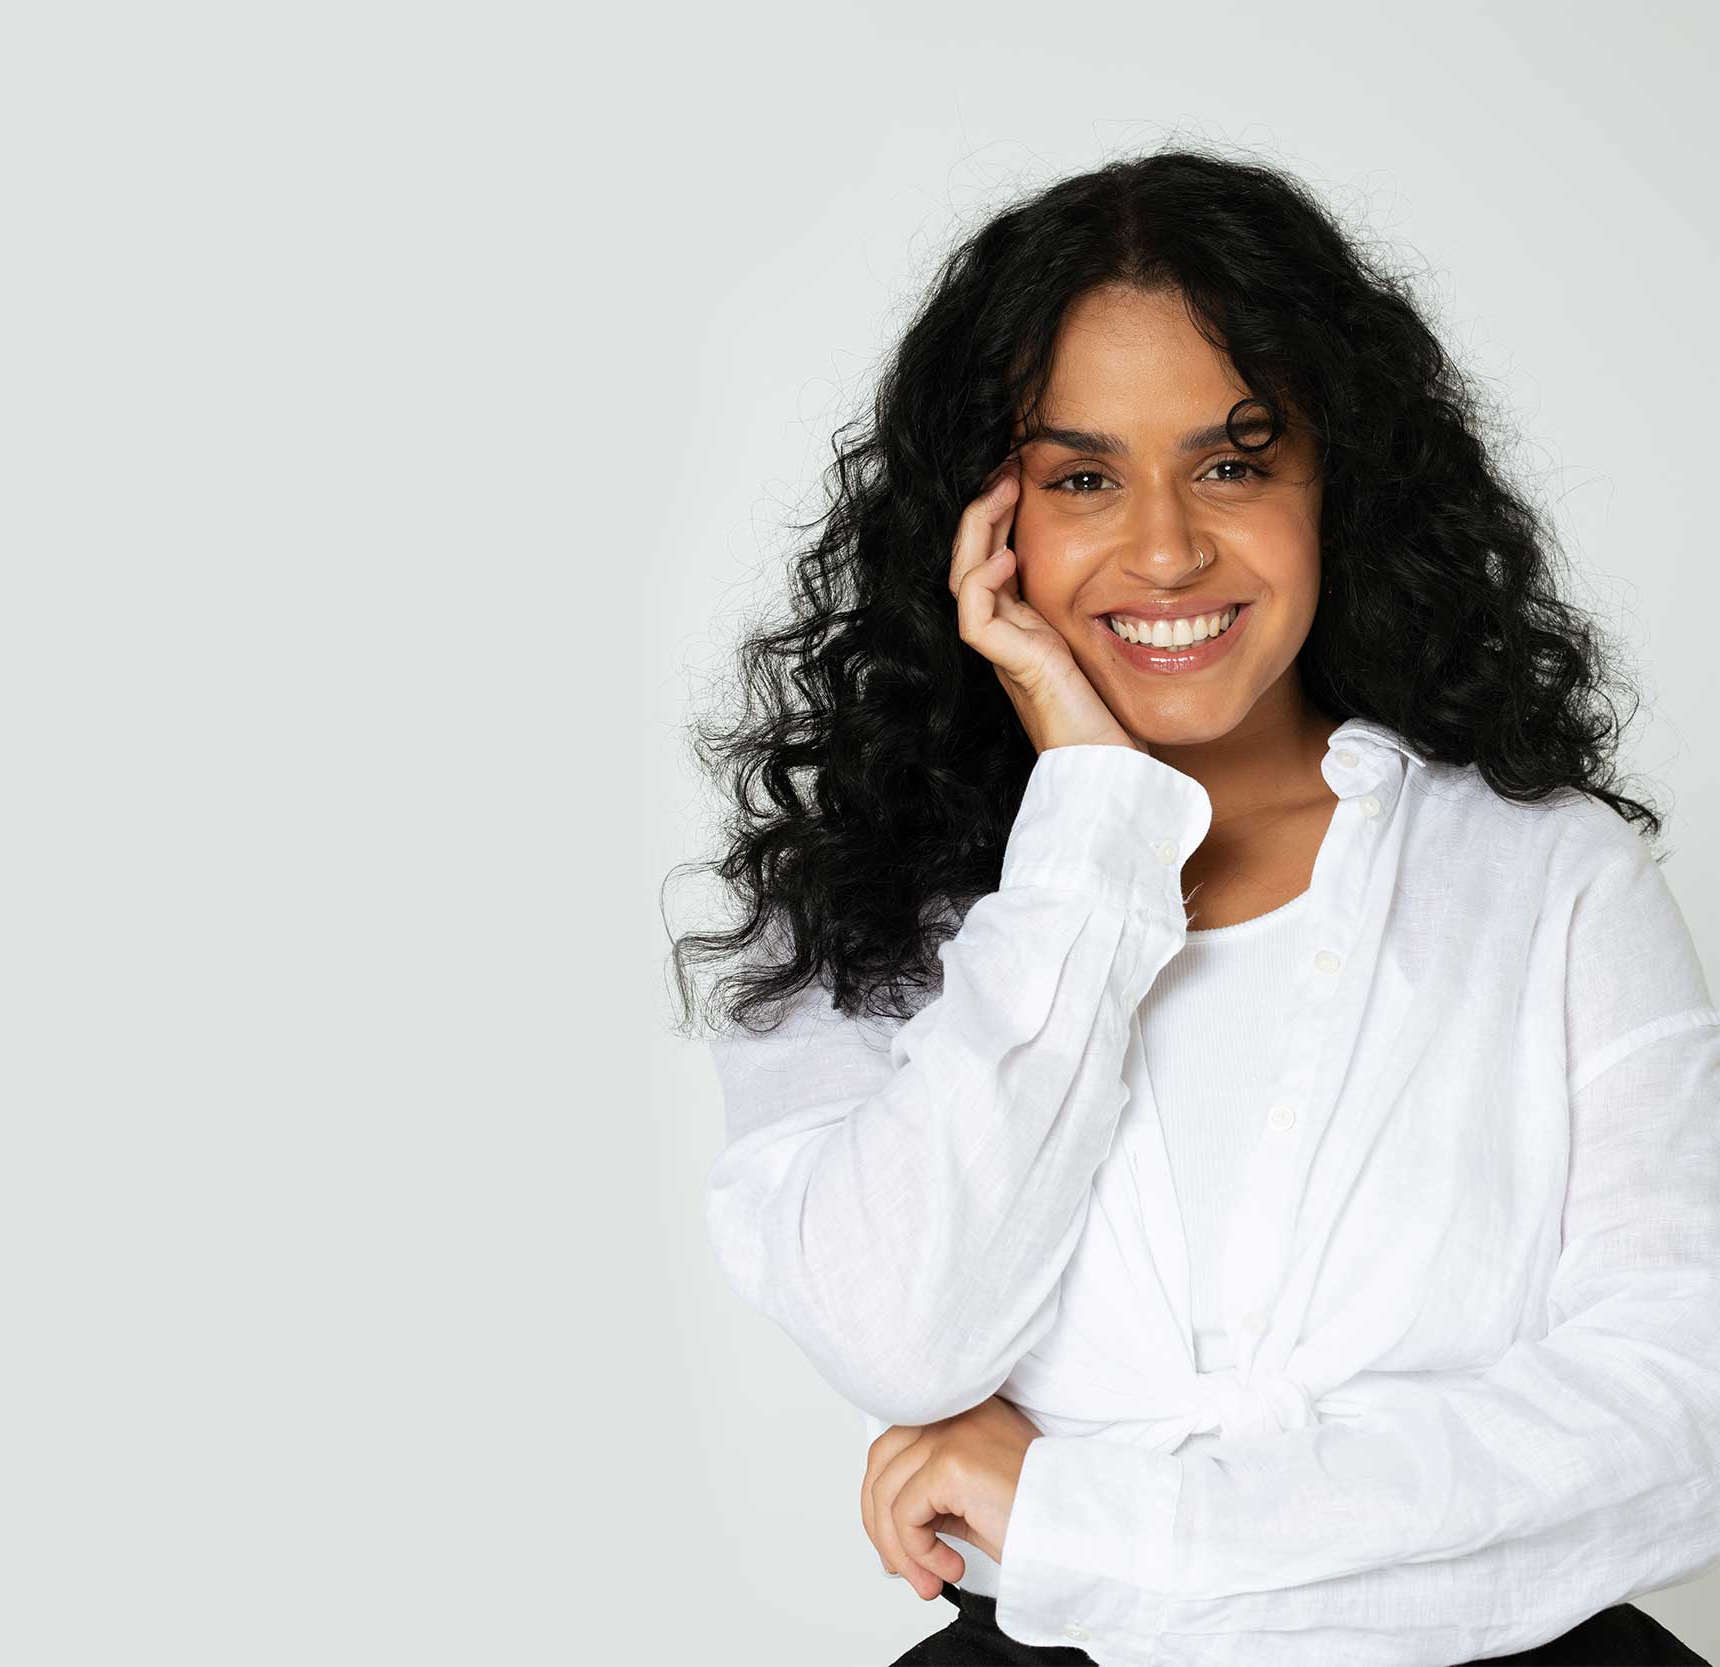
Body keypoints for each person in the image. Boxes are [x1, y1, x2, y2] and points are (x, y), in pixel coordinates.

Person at [669, 145, 1720, 1666]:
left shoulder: (1549, 877)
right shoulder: (857, 918)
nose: (1165, 550)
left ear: (1336, 485)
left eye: (1233, 463)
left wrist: (1093, 1520)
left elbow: (1683, 1418)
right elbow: (902, 1335)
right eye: (1081, 477)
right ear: (982, 523)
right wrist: (1091, 823)